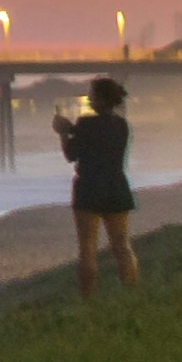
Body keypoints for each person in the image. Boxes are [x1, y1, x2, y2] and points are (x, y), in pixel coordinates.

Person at [59, 75, 139, 297]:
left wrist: (64, 133)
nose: (89, 99)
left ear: (101, 99)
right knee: (122, 245)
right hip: (116, 186)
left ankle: (88, 297)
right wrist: (73, 129)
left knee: (87, 248)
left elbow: (71, 154)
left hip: (89, 188)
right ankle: (131, 291)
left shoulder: (85, 123)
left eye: (92, 95)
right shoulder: (122, 125)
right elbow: (100, 138)